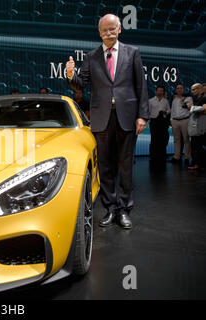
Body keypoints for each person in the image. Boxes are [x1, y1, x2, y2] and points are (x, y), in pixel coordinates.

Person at [66, 14, 149, 229]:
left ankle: (124, 210)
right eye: (104, 30)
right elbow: (80, 85)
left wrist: (142, 115)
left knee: (125, 167)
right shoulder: (91, 56)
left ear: (119, 29)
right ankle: (110, 209)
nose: (108, 33)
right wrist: (70, 75)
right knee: (104, 167)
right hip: (102, 118)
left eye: (112, 29)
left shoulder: (133, 53)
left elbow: (141, 86)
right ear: (99, 32)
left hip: (127, 116)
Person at [169, 83, 193, 165]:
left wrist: (184, 101)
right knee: (176, 140)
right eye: (178, 88)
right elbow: (172, 111)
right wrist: (171, 120)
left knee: (186, 139)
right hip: (175, 121)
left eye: (181, 88)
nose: (179, 89)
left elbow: (190, 108)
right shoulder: (174, 99)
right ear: (176, 90)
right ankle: (177, 157)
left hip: (184, 120)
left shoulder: (188, 98)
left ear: (183, 89)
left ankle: (187, 157)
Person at [148, 86, 171, 162]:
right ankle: (152, 156)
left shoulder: (165, 101)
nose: (160, 92)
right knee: (154, 139)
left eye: (161, 91)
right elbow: (148, 112)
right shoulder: (151, 101)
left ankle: (162, 155)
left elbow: (169, 111)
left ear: (163, 92)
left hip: (163, 122)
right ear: (156, 91)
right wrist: (149, 121)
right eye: (159, 90)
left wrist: (165, 112)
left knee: (162, 139)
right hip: (154, 121)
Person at [187, 83, 206, 170]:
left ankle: (199, 164)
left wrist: (192, 108)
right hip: (196, 124)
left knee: (198, 145)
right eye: (191, 90)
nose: (192, 91)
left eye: (194, 89)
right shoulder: (196, 98)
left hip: (201, 124)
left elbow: (204, 109)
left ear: (199, 89)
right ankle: (198, 163)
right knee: (195, 145)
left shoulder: (204, 98)